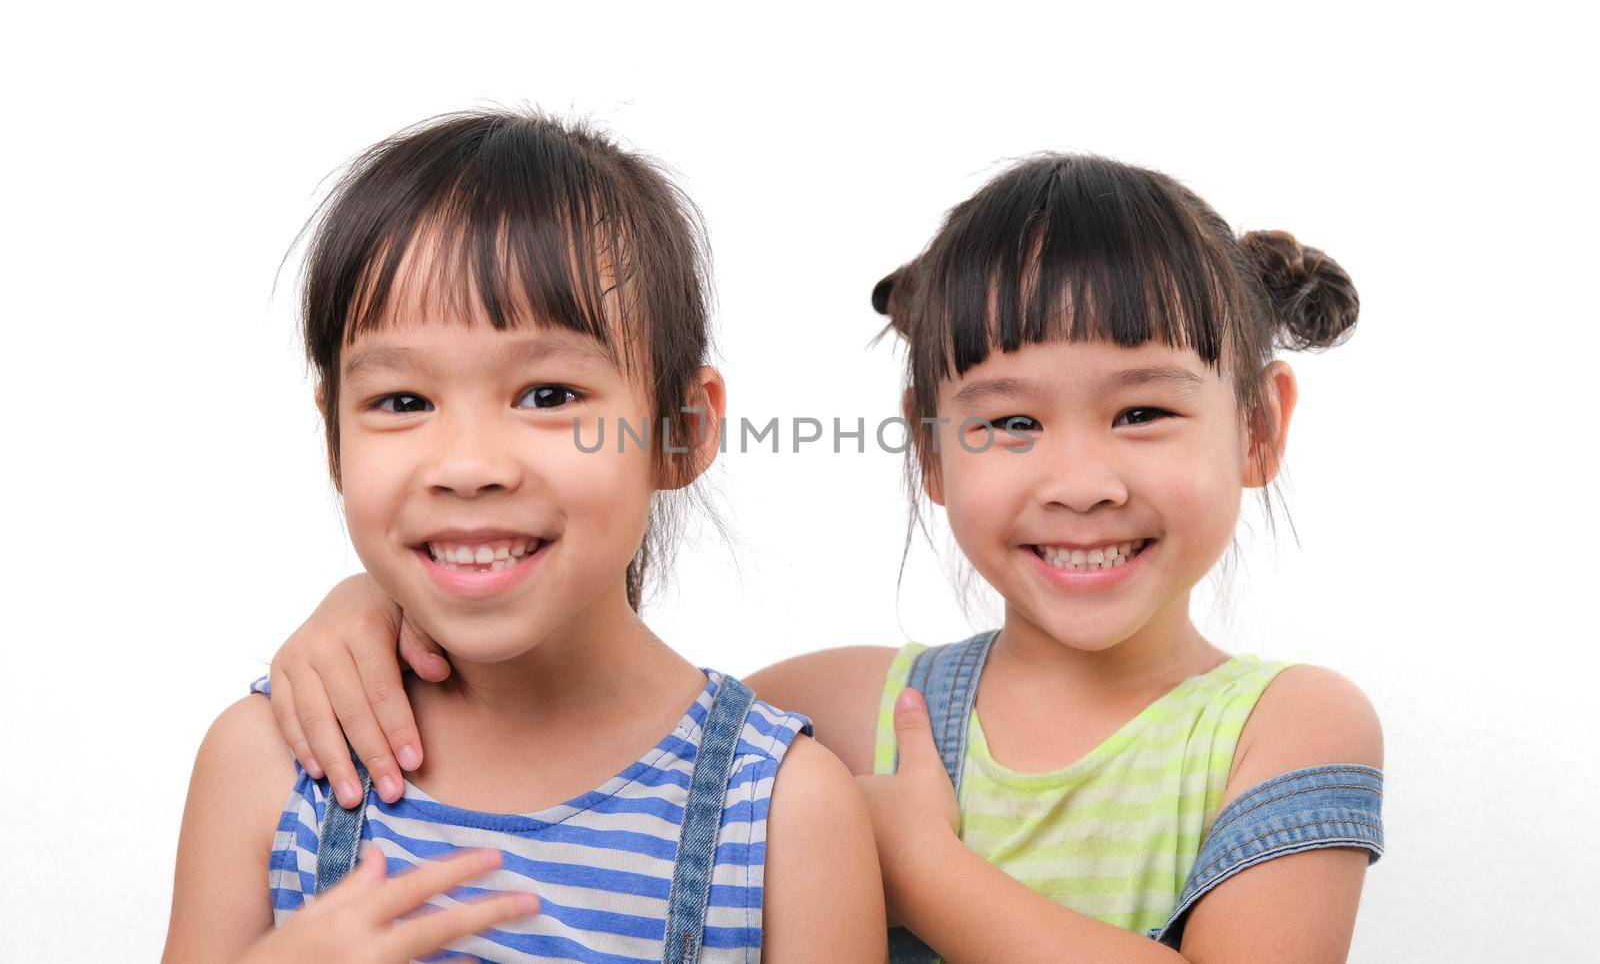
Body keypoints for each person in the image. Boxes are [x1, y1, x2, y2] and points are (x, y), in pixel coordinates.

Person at [257, 152, 1383, 961]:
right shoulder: (839, 710)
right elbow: (586, 668)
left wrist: (922, 866)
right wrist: (374, 604)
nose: (1079, 479)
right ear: (930, 451)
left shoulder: (1284, 724)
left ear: (1256, 429)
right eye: (1008, 422)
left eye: (1142, 412)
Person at [160, 109, 886, 964]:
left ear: (681, 430)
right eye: (402, 402)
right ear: (334, 439)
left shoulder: (781, 815)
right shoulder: (269, 765)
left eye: (547, 395)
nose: (467, 465)